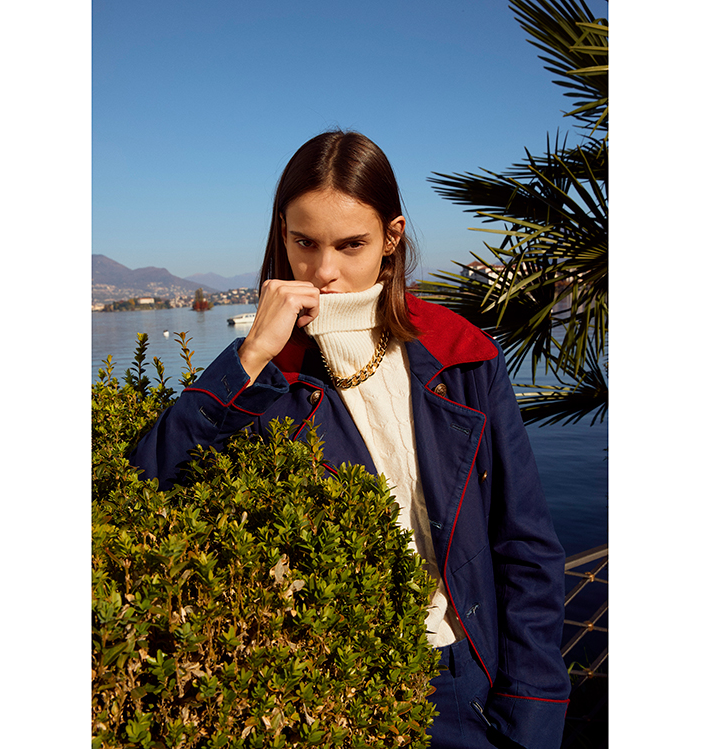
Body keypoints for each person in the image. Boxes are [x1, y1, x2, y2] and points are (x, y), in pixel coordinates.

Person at [130, 130, 570, 749]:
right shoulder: (266, 371)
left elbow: (523, 542)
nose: (324, 272)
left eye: (351, 244)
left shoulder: (460, 354)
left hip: (466, 675)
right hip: (332, 691)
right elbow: (147, 484)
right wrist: (250, 354)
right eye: (304, 243)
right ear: (282, 235)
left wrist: (533, 711)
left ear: (392, 237)